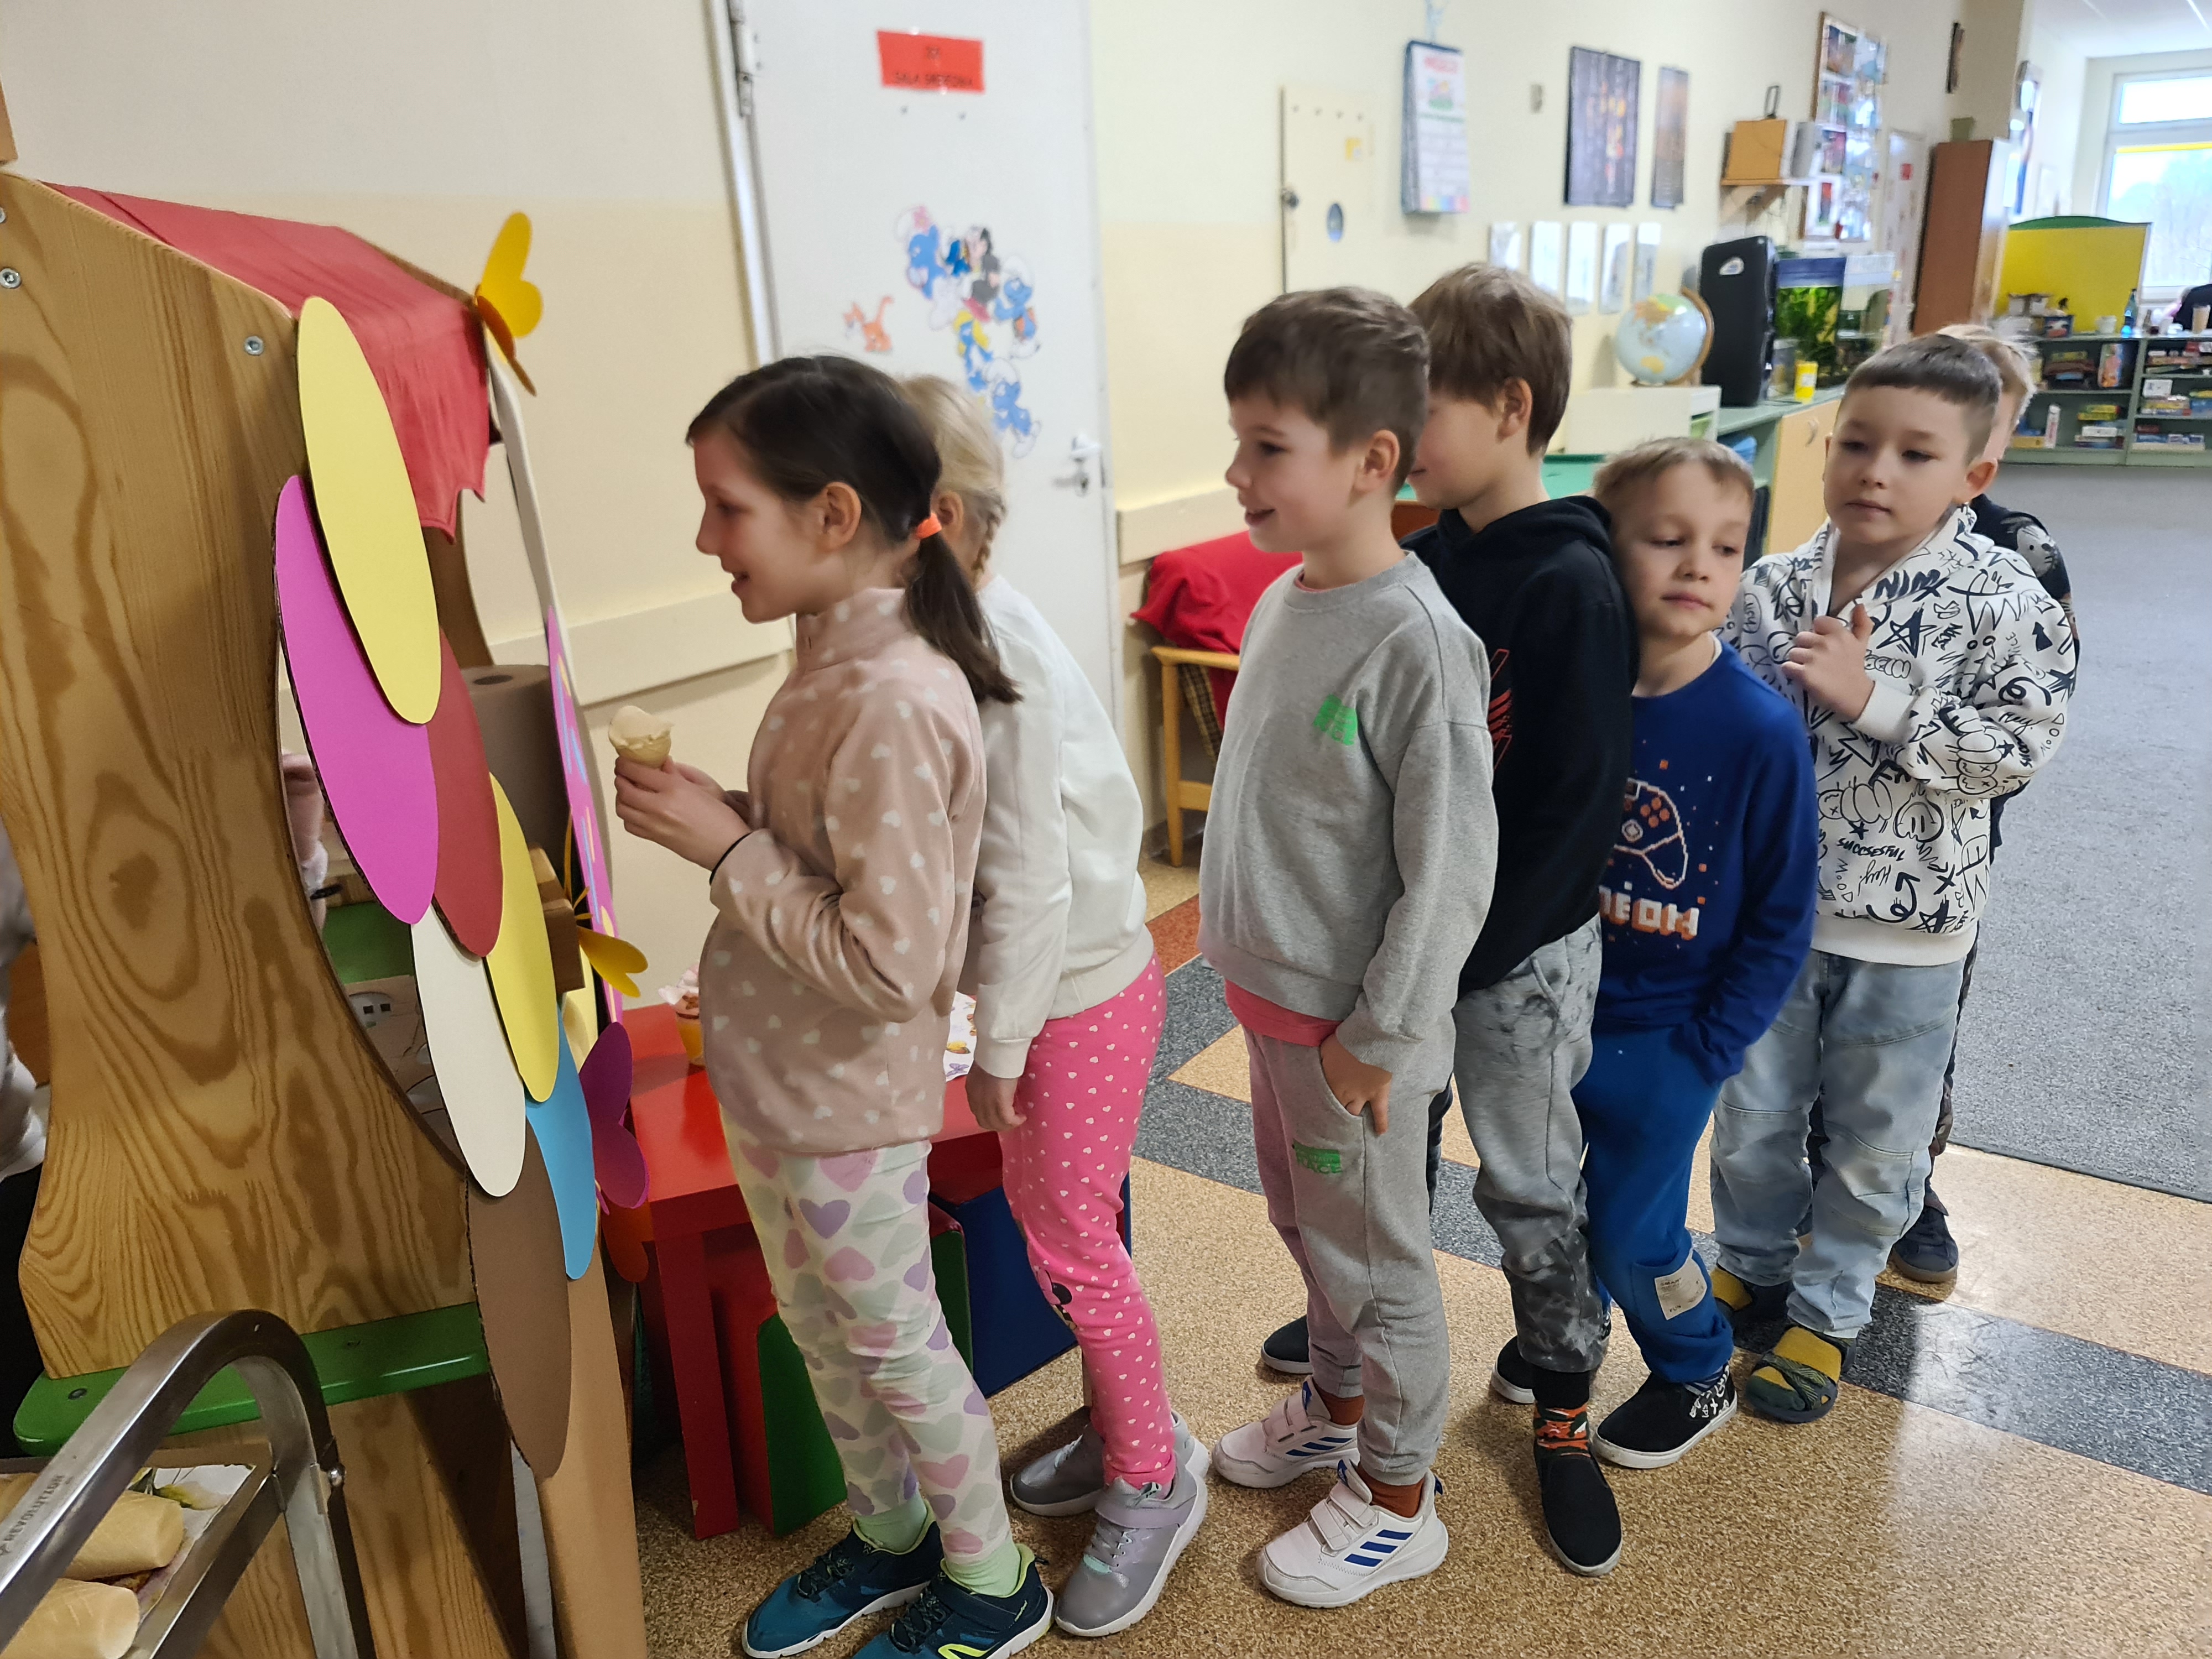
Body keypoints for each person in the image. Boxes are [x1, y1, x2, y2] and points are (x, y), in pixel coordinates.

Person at [614, 356, 1050, 1659]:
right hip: (776, 1081)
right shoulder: (828, 654)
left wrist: (726, 850)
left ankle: (991, 1580)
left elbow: (891, 965)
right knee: (824, 1334)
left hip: (847, 1100)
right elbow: (834, 858)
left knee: (898, 1348)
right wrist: (739, 820)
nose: (707, 540)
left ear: (833, 515)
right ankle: (891, 1530)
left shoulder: (895, 696)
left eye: (727, 508)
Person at [1716, 336, 2076, 1425]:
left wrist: (1872, 699)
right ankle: (1748, 1265)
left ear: (1973, 474)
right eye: (1857, 444)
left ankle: (1827, 1312)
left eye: (1915, 455)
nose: (1876, 472)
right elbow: (1727, 732)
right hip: (1773, 923)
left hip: (1908, 933)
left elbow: (2017, 747)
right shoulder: (1770, 585)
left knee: (1875, 1140)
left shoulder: (2005, 599)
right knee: (1753, 1116)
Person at [1201, 288, 1496, 1608]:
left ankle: (1396, 1493)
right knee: (1306, 1229)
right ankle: (1332, 1408)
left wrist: (1377, 1041)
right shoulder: (1283, 599)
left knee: (1375, 1264)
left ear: (1372, 460)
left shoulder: (1418, 641)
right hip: (1271, 1010)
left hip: (1353, 1040)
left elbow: (1451, 874)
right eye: (1239, 441)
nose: (1237, 471)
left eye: (1267, 446)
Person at [898, 375, 1203, 1640]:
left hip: (1076, 993)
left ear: (940, 520)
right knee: (1056, 1231)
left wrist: (999, 1044)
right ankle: (1125, 1420)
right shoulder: (941, 632)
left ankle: (1153, 1475)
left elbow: (1025, 876)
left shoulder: (989, 649)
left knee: (1073, 1247)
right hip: (1050, 986)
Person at [1389, 262, 1638, 1574]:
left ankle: (1558, 1401)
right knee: (1394, 1151)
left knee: (1531, 1187)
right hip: (1412, 946)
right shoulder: (1422, 560)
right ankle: (1374, 1340)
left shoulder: (1571, 584)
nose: (1395, 437)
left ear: (1509, 406)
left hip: (1519, 959)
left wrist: (1464, 956)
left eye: (1419, 408)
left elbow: (1574, 809)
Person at [1577, 440, 1817, 1468]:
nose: (1699, 566)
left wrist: (1712, 1046)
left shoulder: (1758, 729)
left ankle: (1695, 1363)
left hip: (1672, 1036)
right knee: (1550, 1207)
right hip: (1557, 1014)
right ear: (1605, 549)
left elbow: (1783, 913)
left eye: (1725, 547)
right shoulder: (1573, 696)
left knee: (1635, 1233)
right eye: (1668, 539)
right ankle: (1568, 1337)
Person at [1863, 324, 2080, 1285]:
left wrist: (1888, 710)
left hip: (1941, 843)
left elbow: (2028, 727)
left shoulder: (2019, 555)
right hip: (1827, 846)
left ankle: (1914, 1178)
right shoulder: (1844, 543)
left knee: (1916, 1031)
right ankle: (1819, 1175)